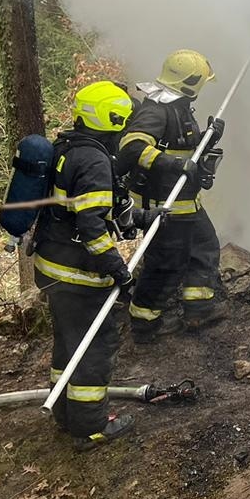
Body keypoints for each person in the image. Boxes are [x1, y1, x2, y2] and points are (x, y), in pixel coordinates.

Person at [32, 80, 138, 443]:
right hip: (78, 274)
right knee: (95, 345)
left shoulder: (67, 147)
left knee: (68, 342)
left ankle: (65, 414)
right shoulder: (93, 158)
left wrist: (143, 215)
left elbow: (77, 211)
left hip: (52, 266)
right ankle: (90, 426)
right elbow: (91, 225)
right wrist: (118, 270)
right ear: (111, 119)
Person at [116, 49, 223, 340]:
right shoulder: (157, 108)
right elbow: (132, 147)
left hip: (185, 202)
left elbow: (182, 146)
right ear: (191, 82)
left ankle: (198, 312)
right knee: (166, 264)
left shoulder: (179, 105)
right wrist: (174, 164)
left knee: (205, 248)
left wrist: (208, 138)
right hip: (163, 205)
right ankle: (144, 324)